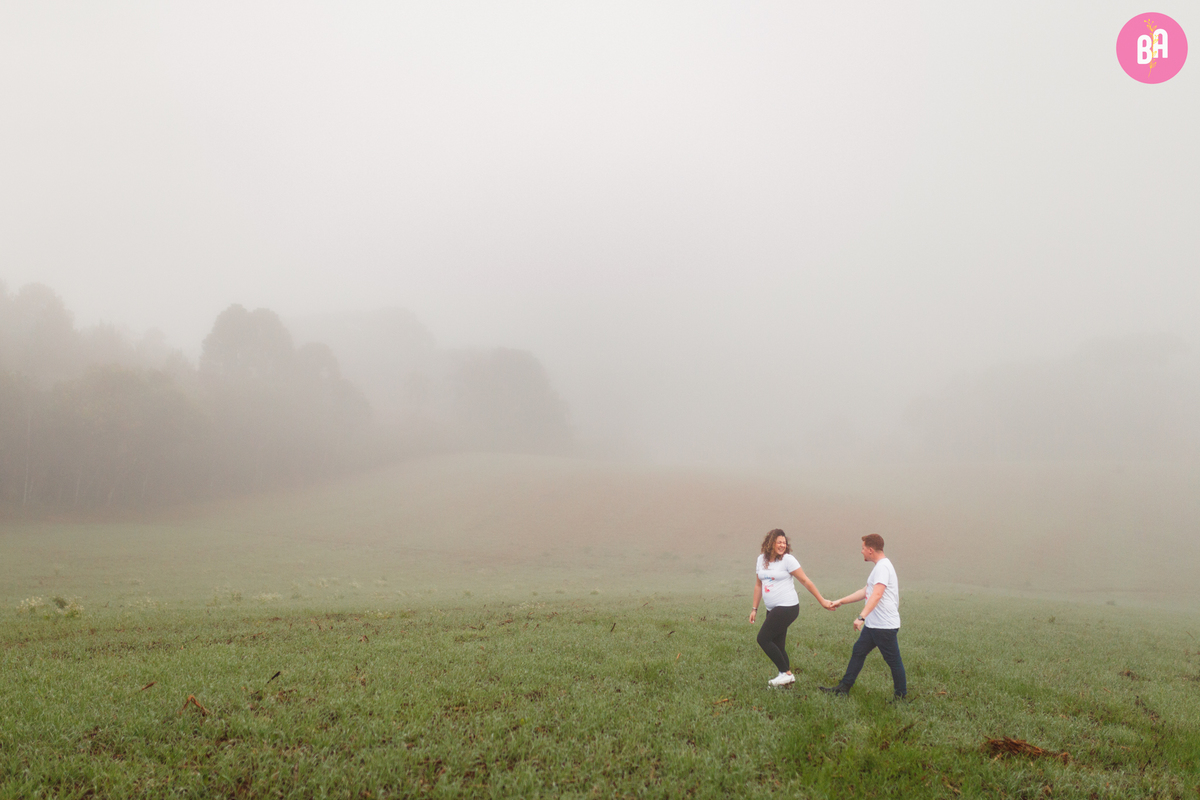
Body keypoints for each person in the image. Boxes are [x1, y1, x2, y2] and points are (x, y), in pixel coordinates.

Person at [820, 533, 906, 699]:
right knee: (858, 651)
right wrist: (841, 601)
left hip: (884, 626)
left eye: (863, 548)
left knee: (894, 661)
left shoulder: (882, 567)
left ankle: (901, 696)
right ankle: (844, 688)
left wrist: (861, 617)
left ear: (871, 550)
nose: (862, 552)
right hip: (874, 625)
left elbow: (877, 594)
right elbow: (865, 591)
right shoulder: (880, 567)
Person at [750, 528, 834, 688]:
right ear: (771, 543)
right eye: (779, 542)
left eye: (784, 542)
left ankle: (786, 674)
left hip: (787, 607)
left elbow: (805, 581)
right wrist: (754, 608)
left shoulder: (788, 560)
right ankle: (786, 679)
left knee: (763, 638)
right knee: (779, 645)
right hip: (772, 609)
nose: (782, 545)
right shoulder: (761, 559)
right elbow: (758, 585)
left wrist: (822, 600)